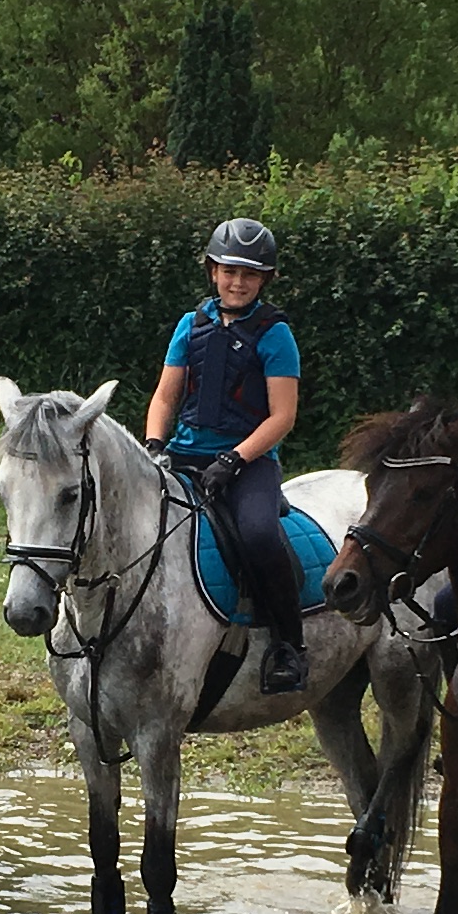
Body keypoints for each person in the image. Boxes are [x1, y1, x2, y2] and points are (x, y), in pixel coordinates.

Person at [147, 218, 310, 697]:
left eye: (250, 274)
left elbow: (282, 416)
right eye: (229, 271)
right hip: (184, 455)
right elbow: (163, 398)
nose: (237, 282)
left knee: (259, 535)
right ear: (213, 271)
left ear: (264, 280)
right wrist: (155, 445)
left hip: (248, 464)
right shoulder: (190, 324)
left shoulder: (275, 334)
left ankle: (288, 646)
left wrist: (235, 460)